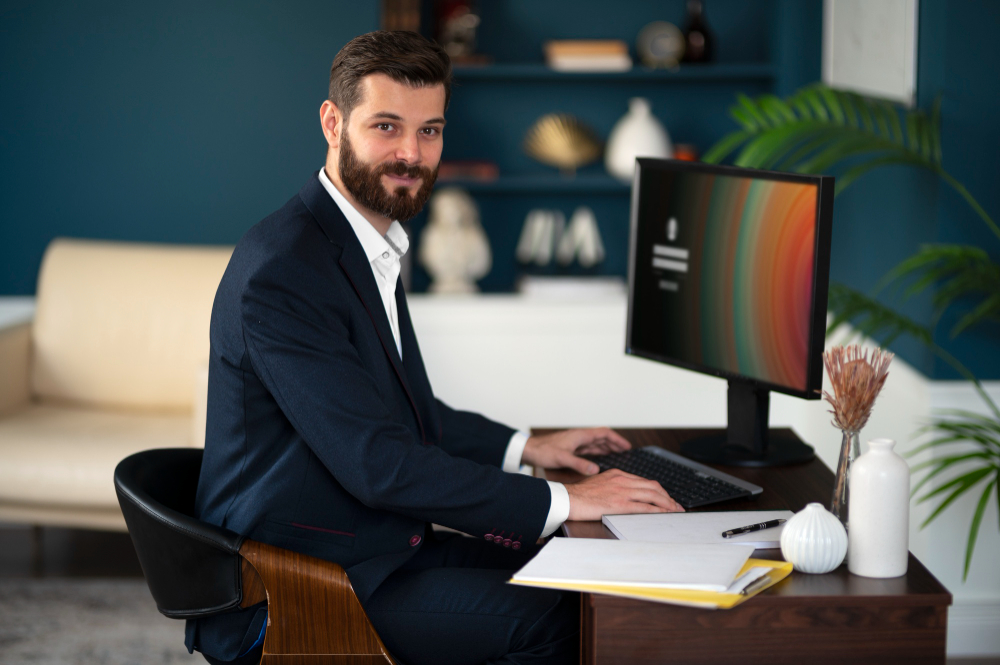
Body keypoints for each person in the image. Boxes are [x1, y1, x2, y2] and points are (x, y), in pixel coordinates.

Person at [187, 30, 682, 665]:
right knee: (554, 621)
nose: (411, 154)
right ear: (332, 123)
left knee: (577, 573)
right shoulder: (284, 272)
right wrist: (566, 499)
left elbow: (401, 415)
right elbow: (380, 462)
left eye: (430, 131)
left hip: (373, 548)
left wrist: (527, 446)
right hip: (293, 584)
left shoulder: (367, 241)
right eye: (387, 127)